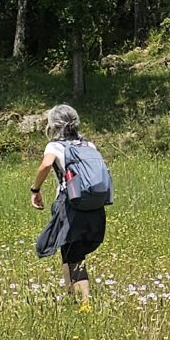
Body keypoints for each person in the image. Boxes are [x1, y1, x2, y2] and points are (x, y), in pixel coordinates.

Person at [31, 103, 109, 308]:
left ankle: (84, 303)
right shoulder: (88, 145)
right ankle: (72, 297)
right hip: (93, 205)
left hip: (70, 204)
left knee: (72, 253)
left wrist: (35, 190)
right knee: (70, 250)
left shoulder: (55, 146)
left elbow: (46, 165)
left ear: (54, 125)